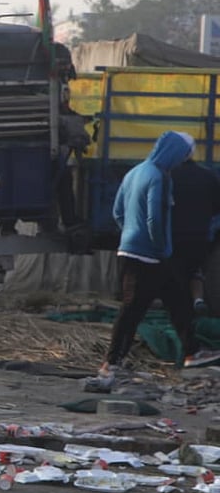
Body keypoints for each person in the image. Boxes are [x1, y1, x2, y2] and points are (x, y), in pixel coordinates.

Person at [89, 131, 199, 391]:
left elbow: (117, 211)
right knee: (132, 311)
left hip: (130, 249)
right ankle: (111, 363)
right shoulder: (159, 177)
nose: (181, 162)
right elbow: (155, 218)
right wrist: (159, 247)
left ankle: (193, 351)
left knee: (177, 300)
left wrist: (130, 234)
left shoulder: (135, 172)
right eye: (183, 156)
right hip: (149, 255)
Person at [170, 154, 220, 365]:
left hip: (171, 240)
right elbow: (216, 206)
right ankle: (191, 348)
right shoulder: (207, 176)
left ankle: (113, 360)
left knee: (170, 294)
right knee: (194, 273)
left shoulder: (165, 176)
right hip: (199, 237)